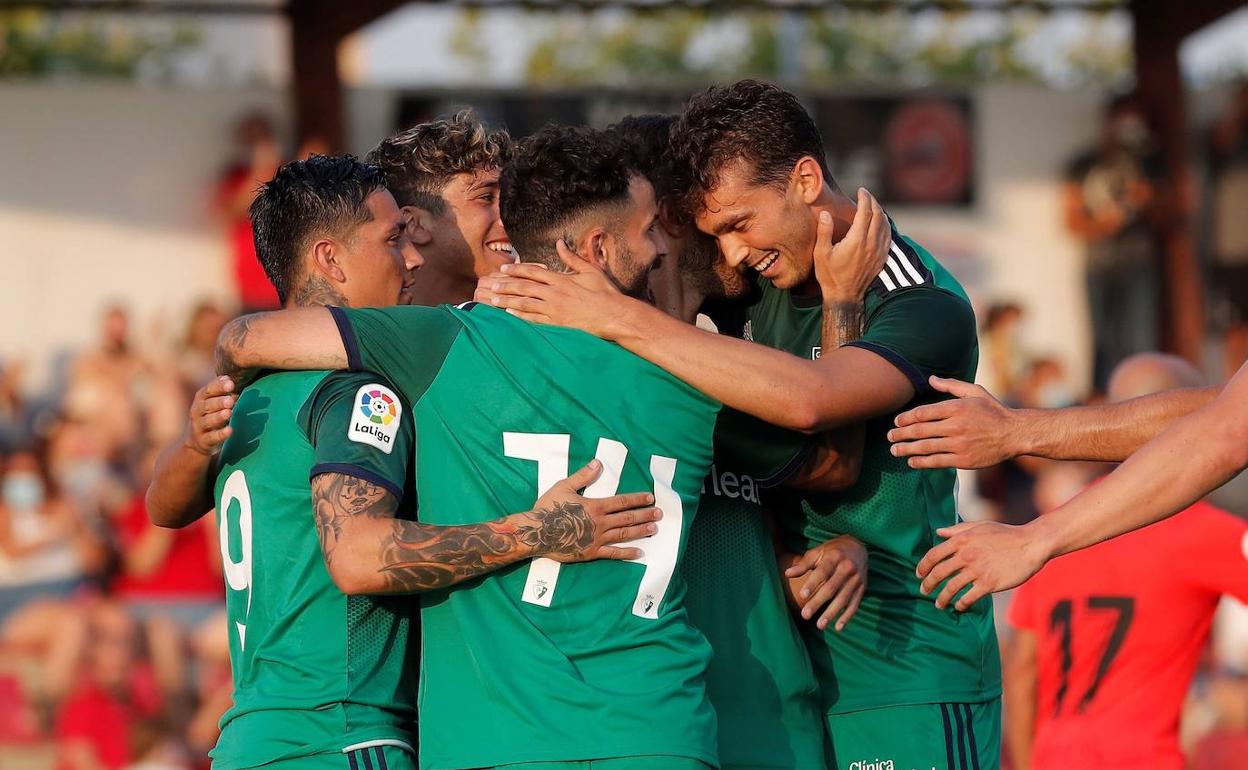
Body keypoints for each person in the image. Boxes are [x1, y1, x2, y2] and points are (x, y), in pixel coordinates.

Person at [477, 80, 998, 770]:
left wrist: (616, 314)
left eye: (739, 224)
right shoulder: (746, 293)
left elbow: (817, 411)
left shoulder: (918, 301)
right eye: (712, 232)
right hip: (795, 665)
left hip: (907, 666)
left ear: (806, 179)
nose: (730, 253)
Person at [212, 124, 730, 770]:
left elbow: (243, 345)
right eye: (487, 195)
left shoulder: (433, 352)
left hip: (427, 737)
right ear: (415, 224)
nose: (506, 213)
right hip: (357, 733)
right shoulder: (399, 365)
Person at [610, 113, 870, 770]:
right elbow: (833, 461)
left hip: (776, 718)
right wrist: (844, 306)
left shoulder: (736, 355)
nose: (734, 248)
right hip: (664, 724)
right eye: (713, 220)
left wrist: (814, 560)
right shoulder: (639, 382)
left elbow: (736, 520)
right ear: (669, 221)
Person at [1001, 353, 1248, 770]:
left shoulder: (1055, 528)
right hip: (1144, 756)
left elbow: (1022, 668)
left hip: (1052, 756)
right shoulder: (1199, 528)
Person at [364, 109, 515, 306]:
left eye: (509, 198)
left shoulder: (542, 319)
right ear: (414, 224)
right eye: (486, 197)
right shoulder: (356, 329)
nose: (510, 215)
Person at [1063, 93, 1163, 390]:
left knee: (1141, 340)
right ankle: (1102, 406)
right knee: (1102, 342)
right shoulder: (1085, 163)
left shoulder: (1150, 162)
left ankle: (1143, 405)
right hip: (1099, 263)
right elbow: (1071, 220)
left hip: (1139, 261)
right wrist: (1104, 223)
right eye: (1124, 119)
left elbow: (1170, 214)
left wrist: (1147, 197)